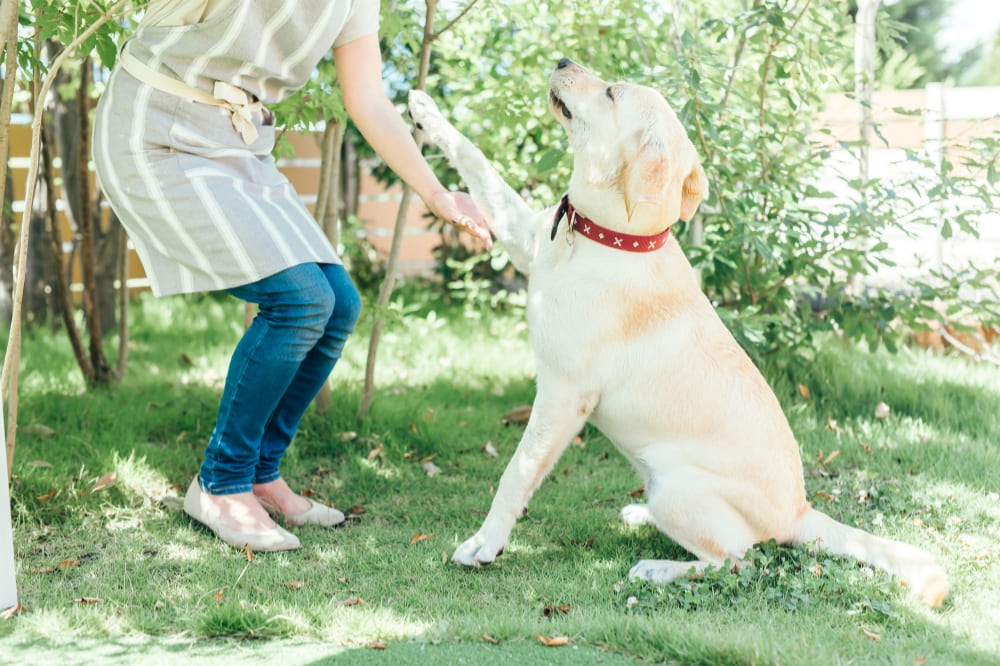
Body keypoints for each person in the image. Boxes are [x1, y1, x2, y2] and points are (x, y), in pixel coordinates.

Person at [93, 1, 490, 551]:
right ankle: (220, 482)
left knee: (338, 305)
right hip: (158, 130)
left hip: (236, 141)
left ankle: (258, 473)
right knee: (300, 300)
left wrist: (438, 193)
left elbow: (368, 98)